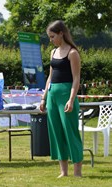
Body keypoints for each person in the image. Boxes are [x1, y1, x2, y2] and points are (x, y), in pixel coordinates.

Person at [39, 20, 83, 178]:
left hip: (66, 95)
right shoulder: (52, 52)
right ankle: (63, 172)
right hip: (52, 96)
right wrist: (44, 98)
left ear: (61, 34)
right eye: (49, 37)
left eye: (52, 36)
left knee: (70, 132)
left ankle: (77, 171)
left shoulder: (72, 53)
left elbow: (76, 79)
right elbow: (50, 77)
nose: (50, 40)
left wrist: (71, 100)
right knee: (56, 132)